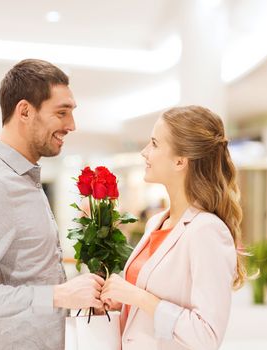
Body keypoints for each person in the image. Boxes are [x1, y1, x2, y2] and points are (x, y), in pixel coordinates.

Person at [0, 59, 104, 349]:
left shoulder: (23, 178)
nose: (72, 125)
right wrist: (57, 295)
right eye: (61, 113)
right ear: (25, 111)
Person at [100, 106, 246, 350]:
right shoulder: (157, 223)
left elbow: (206, 336)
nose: (145, 152)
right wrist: (122, 303)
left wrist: (138, 297)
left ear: (180, 161)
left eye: (155, 144)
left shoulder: (206, 230)